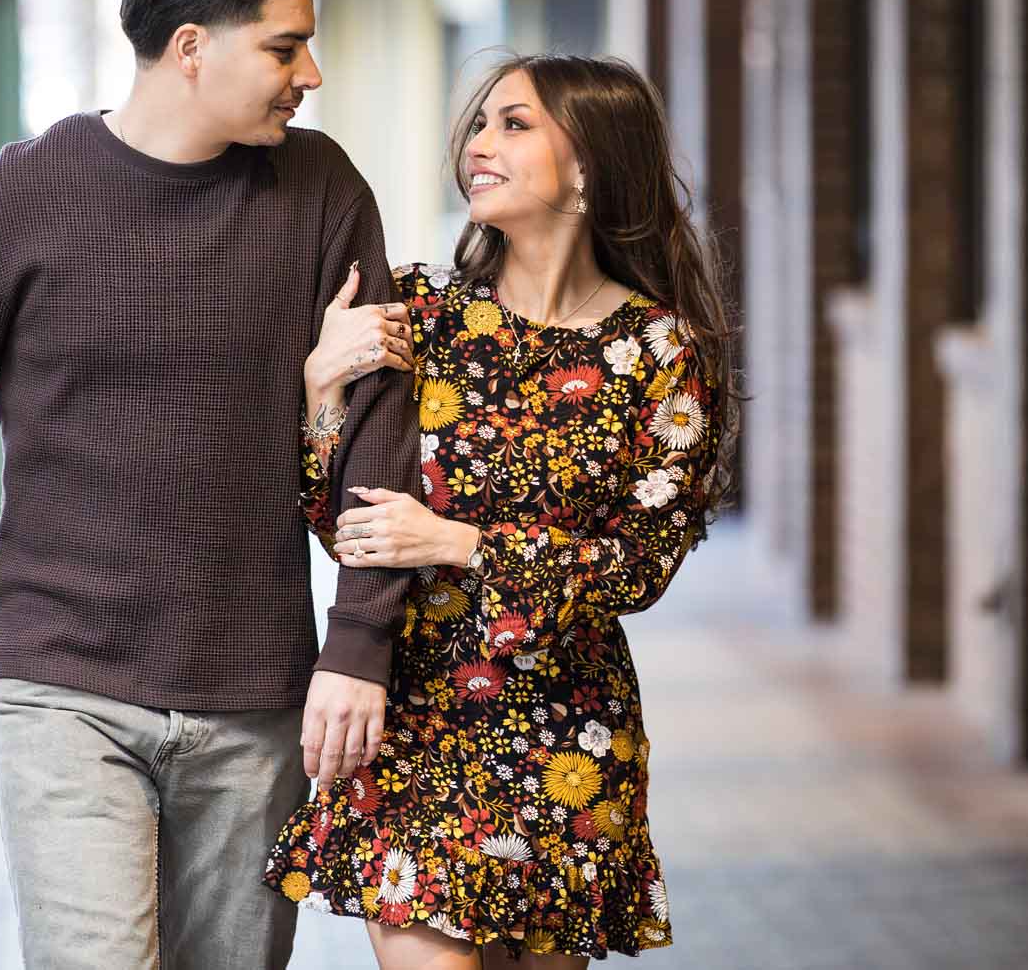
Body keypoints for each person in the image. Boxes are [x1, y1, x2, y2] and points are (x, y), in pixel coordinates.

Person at [0, 0, 419, 969]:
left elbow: (377, 432)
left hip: (257, 696)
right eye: (287, 46)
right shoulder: (13, 201)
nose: (312, 74)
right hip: (64, 690)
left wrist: (359, 642)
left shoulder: (321, 189)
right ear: (192, 46)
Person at [264, 54, 737, 968]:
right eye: (479, 124)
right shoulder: (421, 314)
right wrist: (322, 385)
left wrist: (458, 541)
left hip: (570, 730)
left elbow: (639, 567)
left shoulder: (659, 352)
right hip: (412, 715)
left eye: (513, 124)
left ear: (590, 161)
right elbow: (340, 515)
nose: (479, 144)